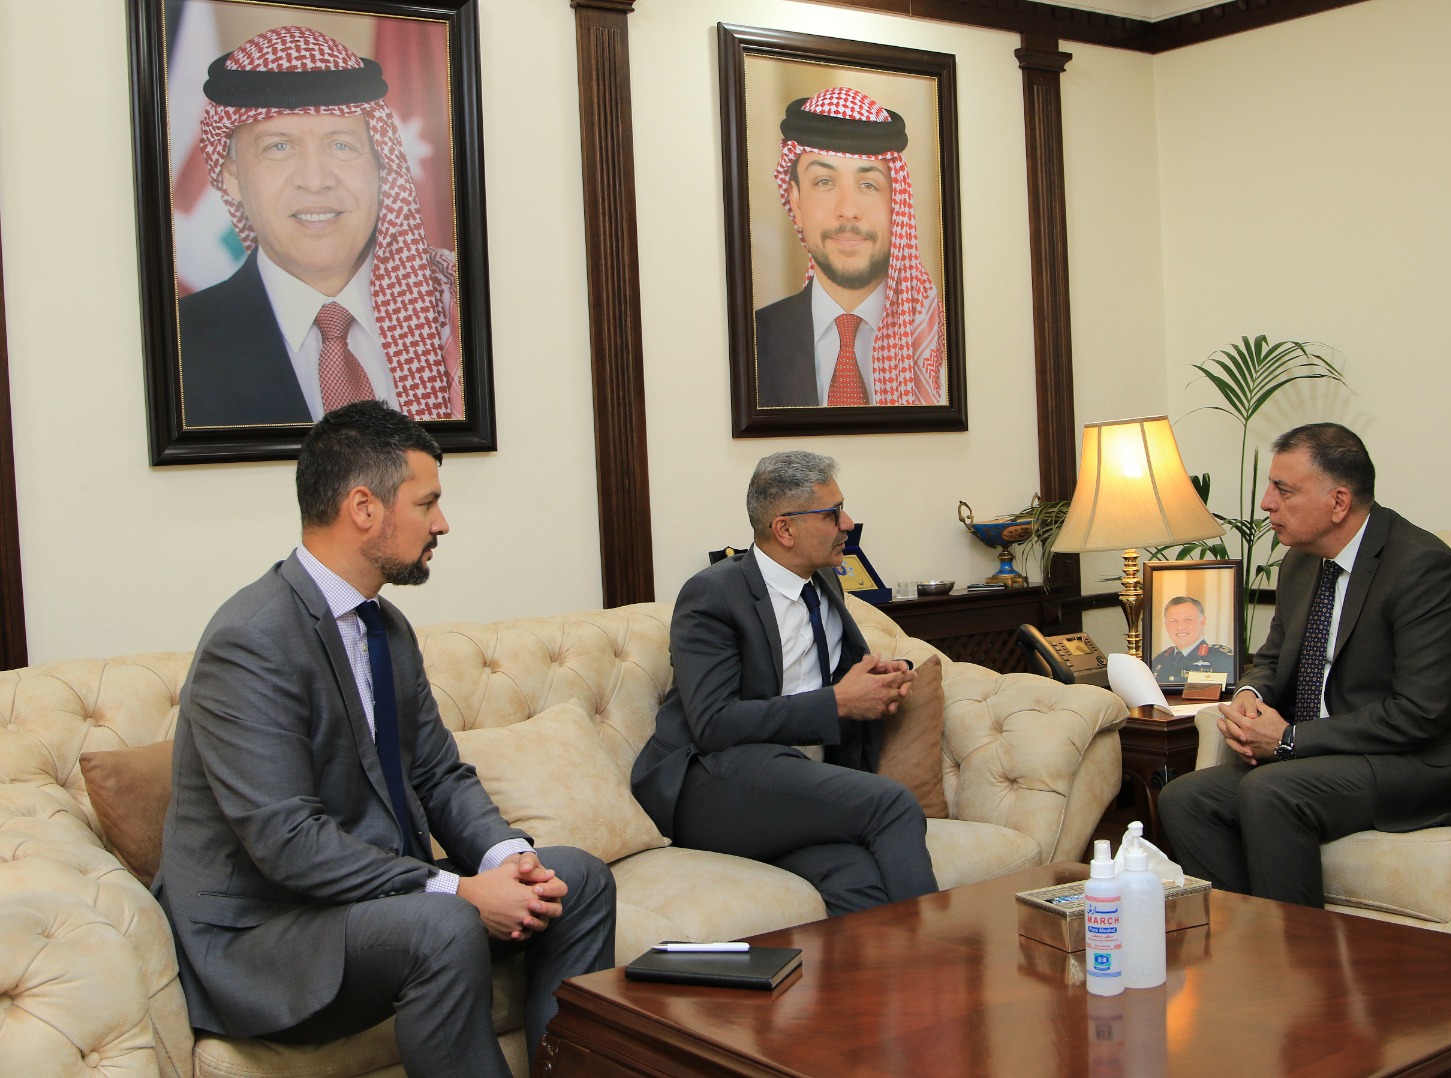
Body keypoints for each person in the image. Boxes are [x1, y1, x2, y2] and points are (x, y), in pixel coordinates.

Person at [154, 402, 614, 1076]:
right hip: (268, 935)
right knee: (443, 924)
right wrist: (458, 893)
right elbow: (287, 841)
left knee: (576, 880)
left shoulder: (383, 626)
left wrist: (507, 861)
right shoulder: (250, 641)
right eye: (427, 503)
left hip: (375, 904)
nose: (442, 523)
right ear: (364, 507)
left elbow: (437, 773)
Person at [1158, 423, 1451, 907]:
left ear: (1338, 502)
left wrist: (1288, 739)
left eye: (1283, 489)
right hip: (1331, 756)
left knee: (1271, 790)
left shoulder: (1422, 567)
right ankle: (1248, 939)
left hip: (1425, 763)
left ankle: (1299, 950)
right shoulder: (1301, 563)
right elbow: (1272, 658)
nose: (1266, 503)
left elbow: (1419, 713)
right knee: (1185, 798)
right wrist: (1249, 698)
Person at [631, 450, 939, 914]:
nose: (848, 524)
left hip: (792, 782)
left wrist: (873, 682)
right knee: (891, 803)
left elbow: (817, 676)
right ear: (785, 529)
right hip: (708, 782)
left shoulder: (826, 580)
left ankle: (880, 964)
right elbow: (713, 724)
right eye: (833, 513)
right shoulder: (714, 593)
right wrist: (838, 702)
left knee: (856, 878)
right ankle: (944, 954)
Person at [177, 25, 462, 428]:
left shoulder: (457, 313)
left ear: (380, 165)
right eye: (279, 147)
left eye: (341, 145)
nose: (315, 180)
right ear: (233, 178)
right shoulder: (177, 346)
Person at [754, 87, 945, 408]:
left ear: (896, 204)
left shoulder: (938, 342)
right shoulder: (753, 341)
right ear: (796, 202)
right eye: (824, 182)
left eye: (868, 184)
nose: (847, 210)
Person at [1149, 595, 1234, 685]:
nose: (1180, 627)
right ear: (1166, 625)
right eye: (1173, 621)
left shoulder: (1223, 660)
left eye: (1187, 620)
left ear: (1202, 622)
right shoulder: (1159, 660)